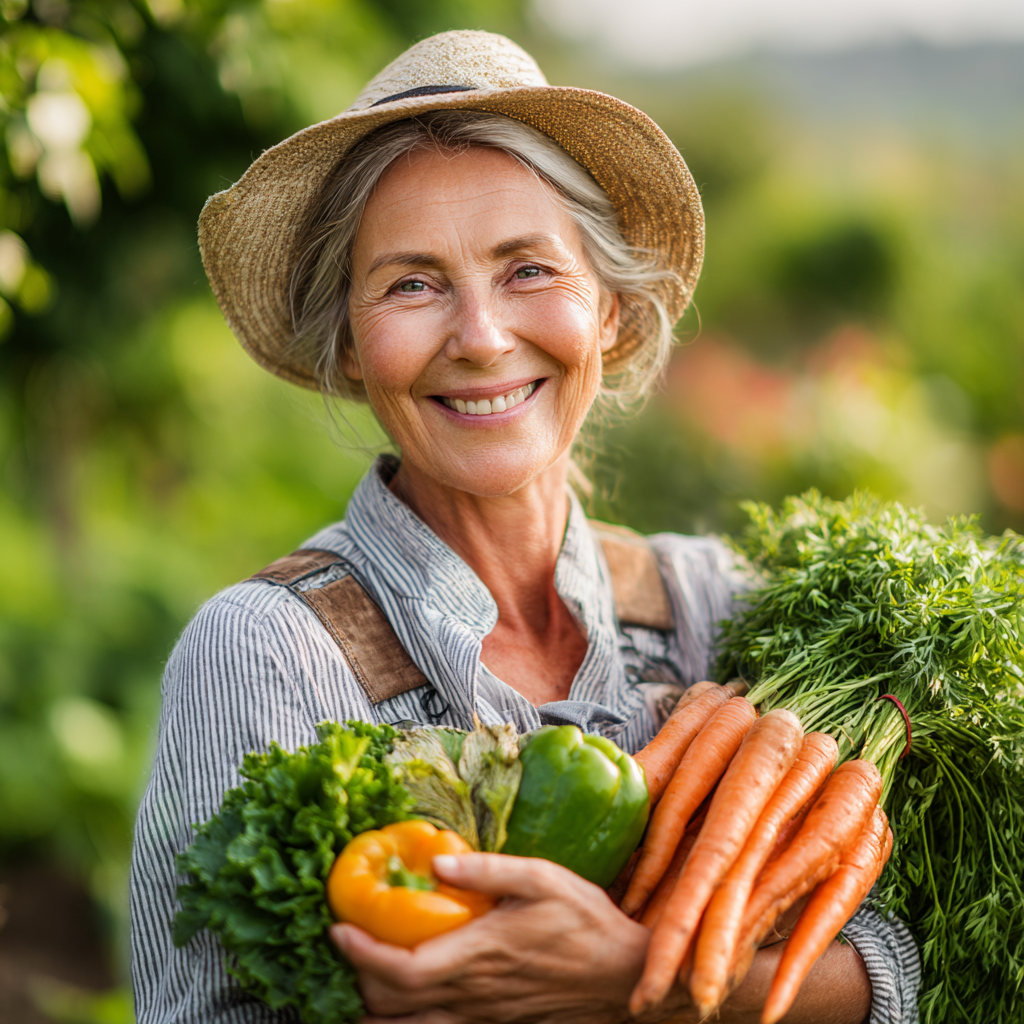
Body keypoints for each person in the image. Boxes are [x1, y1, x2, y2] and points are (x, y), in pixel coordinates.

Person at [130, 30, 920, 1024]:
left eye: (527, 269)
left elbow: (899, 958)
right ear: (348, 347)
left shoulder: (718, 603)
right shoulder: (268, 652)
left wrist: (641, 980)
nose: (481, 337)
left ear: (611, 314)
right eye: (412, 283)